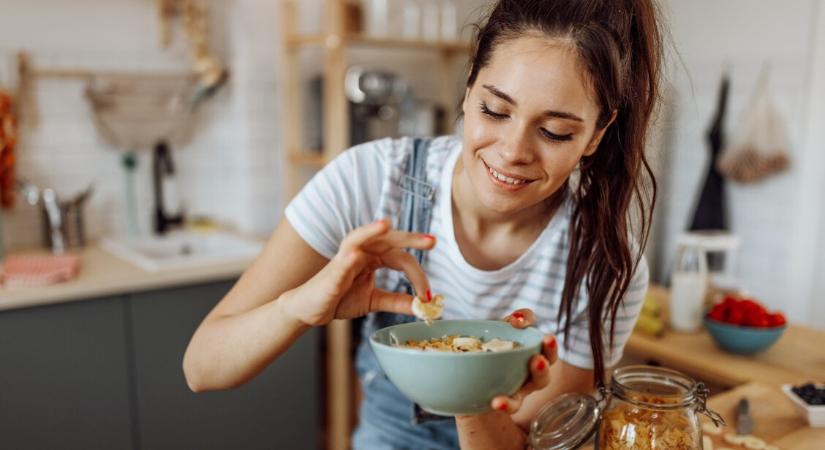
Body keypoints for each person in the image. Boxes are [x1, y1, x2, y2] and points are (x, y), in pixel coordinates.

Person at [183, 0, 663, 448]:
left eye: (555, 131)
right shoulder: (371, 180)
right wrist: (301, 307)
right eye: (494, 110)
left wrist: (473, 387)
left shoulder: (606, 263)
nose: (513, 151)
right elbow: (203, 367)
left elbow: (522, 442)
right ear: (469, 86)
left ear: (596, 135)